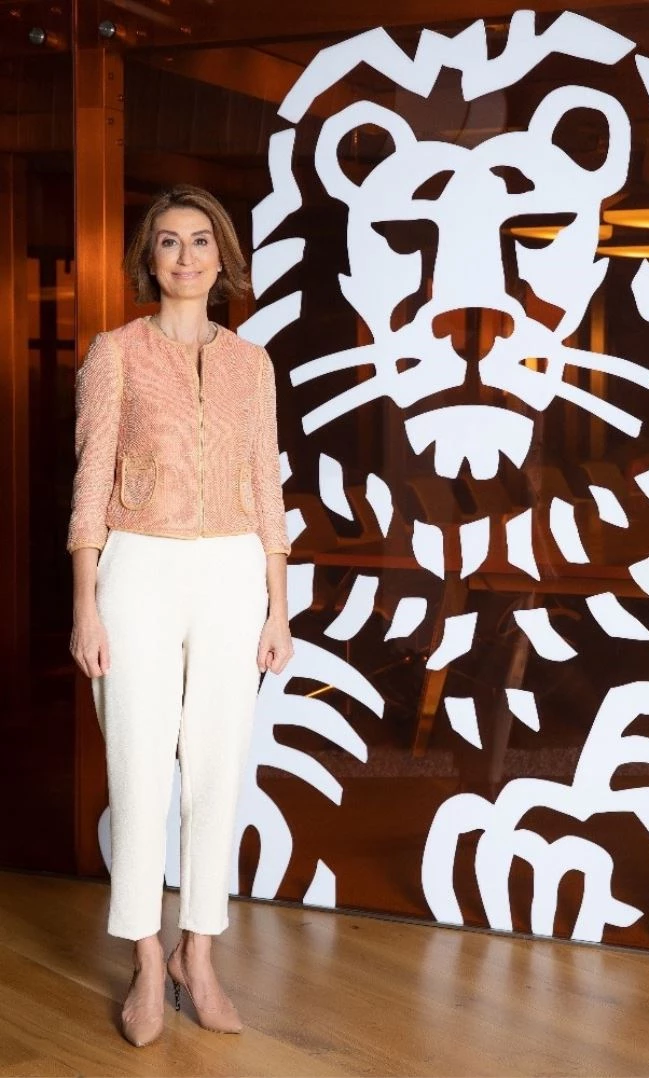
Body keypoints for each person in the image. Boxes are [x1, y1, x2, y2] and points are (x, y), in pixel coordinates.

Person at [67, 184, 293, 1047]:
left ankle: (199, 954)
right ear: (149, 259)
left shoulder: (252, 364)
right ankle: (143, 956)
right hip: (138, 569)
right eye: (169, 242)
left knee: (216, 770)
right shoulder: (115, 353)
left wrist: (279, 606)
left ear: (222, 257)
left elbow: (267, 485)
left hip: (234, 571)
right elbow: (91, 480)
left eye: (201, 241)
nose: (186, 256)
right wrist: (85, 605)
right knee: (138, 772)